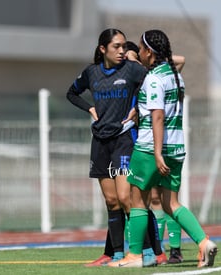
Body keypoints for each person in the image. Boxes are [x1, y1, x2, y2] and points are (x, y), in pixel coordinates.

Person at [108, 29, 218, 268]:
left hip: (151, 149)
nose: (138, 52)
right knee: (171, 204)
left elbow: (158, 117)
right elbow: (162, 109)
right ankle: (203, 242)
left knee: (137, 200)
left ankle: (134, 255)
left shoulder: (154, 78)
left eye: (140, 47)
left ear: (149, 51)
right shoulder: (175, 77)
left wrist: (157, 153)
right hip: (176, 148)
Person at [66, 29, 159, 267]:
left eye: (122, 46)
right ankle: (117, 253)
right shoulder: (91, 72)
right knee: (111, 201)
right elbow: (72, 93)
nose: (121, 51)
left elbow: (152, 81)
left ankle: (146, 252)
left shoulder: (132, 69)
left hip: (123, 140)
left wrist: (138, 107)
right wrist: (89, 109)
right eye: (116, 47)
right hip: (100, 142)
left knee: (126, 197)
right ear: (102, 49)